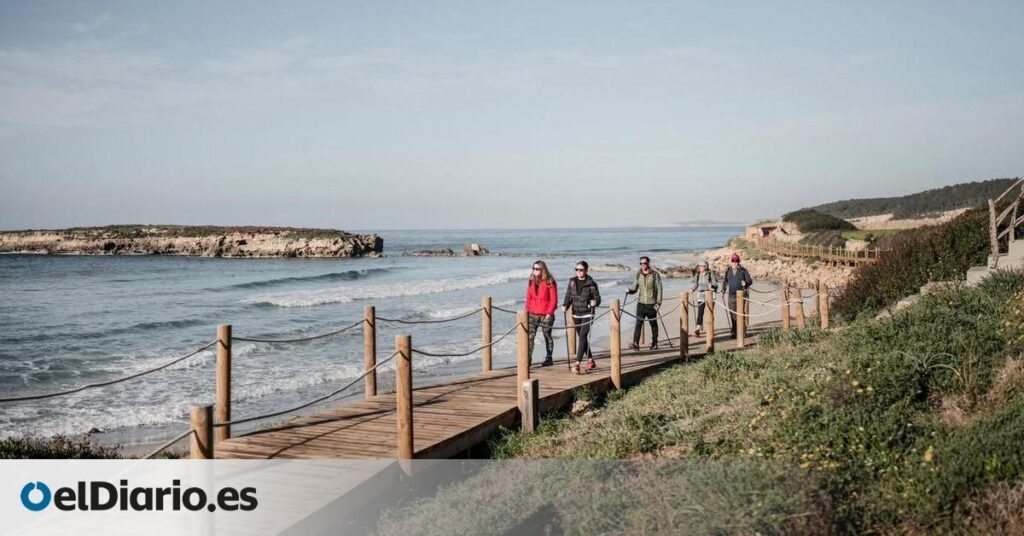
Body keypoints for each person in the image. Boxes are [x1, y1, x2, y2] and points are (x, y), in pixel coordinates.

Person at [563, 260, 601, 374]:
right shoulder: (572, 282)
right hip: (576, 313)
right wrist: (565, 305)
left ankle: (577, 363)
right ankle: (590, 360)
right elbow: (568, 295)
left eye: (581, 269)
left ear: (586, 270)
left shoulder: (591, 283)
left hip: (588, 313)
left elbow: (598, 298)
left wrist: (595, 302)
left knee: (583, 336)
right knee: (582, 338)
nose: (578, 271)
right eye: (577, 269)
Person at [626, 256, 663, 350]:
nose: (643, 265)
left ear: (648, 263)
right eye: (641, 263)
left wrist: (658, 303)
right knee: (638, 324)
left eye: (644, 263)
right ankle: (635, 344)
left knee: (653, 324)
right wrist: (629, 291)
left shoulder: (655, 274)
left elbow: (659, 289)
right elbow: (634, 288)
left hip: (651, 304)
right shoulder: (638, 275)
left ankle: (654, 343)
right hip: (641, 303)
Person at [525, 260, 557, 367]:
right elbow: (528, 296)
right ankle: (528, 359)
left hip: (545, 314)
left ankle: (549, 358)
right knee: (530, 336)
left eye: (537, 269)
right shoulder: (531, 280)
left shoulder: (549, 281)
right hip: (532, 313)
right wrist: (527, 310)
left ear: (542, 269)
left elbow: (554, 299)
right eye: (533, 268)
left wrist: (549, 313)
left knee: (547, 335)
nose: (535, 270)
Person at [720, 253, 753, 338]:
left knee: (741, 313)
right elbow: (725, 281)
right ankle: (734, 331)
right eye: (733, 261)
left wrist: (746, 283)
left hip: (741, 295)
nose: (735, 262)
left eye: (736, 261)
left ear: (739, 261)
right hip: (731, 295)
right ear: (731, 261)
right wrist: (723, 289)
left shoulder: (743, 270)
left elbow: (750, 281)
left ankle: (742, 331)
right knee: (732, 314)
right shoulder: (728, 270)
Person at [690, 260, 717, 338]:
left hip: (710, 295)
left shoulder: (710, 274)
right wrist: (692, 289)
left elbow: (715, 284)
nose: (700, 267)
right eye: (699, 266)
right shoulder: (698, 274)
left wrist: (711, 287)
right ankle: (697, 329)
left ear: (705, 267)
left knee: (709, 313)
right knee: (700, 312)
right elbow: (695, 284)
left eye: (701, 266)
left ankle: (710, 329)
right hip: (701, 295)